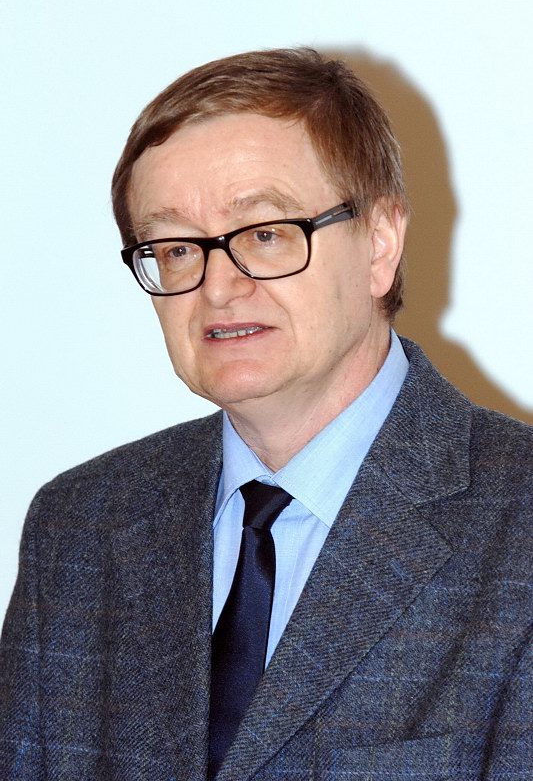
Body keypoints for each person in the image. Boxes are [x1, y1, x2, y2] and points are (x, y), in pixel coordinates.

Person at [1, 48, 531, 781]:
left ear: (380, 245)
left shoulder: (519, 525)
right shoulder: (80, 527)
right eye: (176, 248)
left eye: (265, 234)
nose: (217, 287)